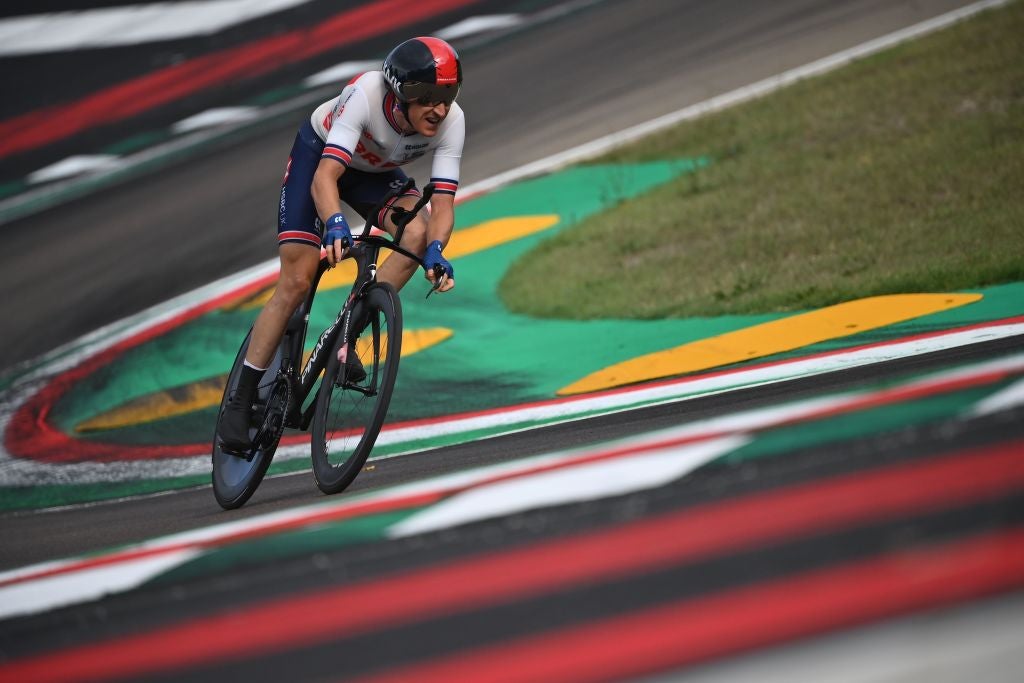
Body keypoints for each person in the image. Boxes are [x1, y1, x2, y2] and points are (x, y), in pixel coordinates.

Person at [218, 36, 465, 453]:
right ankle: (239, 401)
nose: (439, 109)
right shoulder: (364, 95)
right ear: (399, 93)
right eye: (426, 98)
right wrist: (334, 223)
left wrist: (437, 251)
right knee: (297, 280)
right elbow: (325, 179)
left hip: (372, 173)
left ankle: (347, 338)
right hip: (322, 161)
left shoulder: (452, 122)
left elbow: (441, 204)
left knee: (418, 235)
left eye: (447, 96)